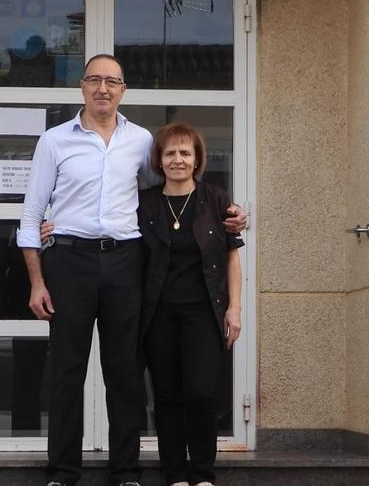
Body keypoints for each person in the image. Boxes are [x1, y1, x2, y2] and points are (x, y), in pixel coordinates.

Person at [17, 54, 245, 486]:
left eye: (112, 82)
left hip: (126, 262)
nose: (103, 88)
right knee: (67, 371)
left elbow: (169, 192)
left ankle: (126, 472)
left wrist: (227, 213)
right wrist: (37, 281)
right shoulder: (54, 141)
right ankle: (63, 472)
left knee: (124, 371)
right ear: (82, 86)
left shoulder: (141, 141)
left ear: (123, 90)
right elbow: (30, 216)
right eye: (94, 80)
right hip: (69, 260)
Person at [137, 124, 242, 486]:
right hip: (159, 313)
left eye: (185, 153)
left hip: (204, 312)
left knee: (200, 393)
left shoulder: (215, 200)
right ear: (159, 160)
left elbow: (231, 257)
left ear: (197, 159)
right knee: (167, 396)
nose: (177, 160)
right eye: (170, 153)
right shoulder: (145, 203)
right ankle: (175, 474)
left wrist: (234, 309)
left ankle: (202, 473)